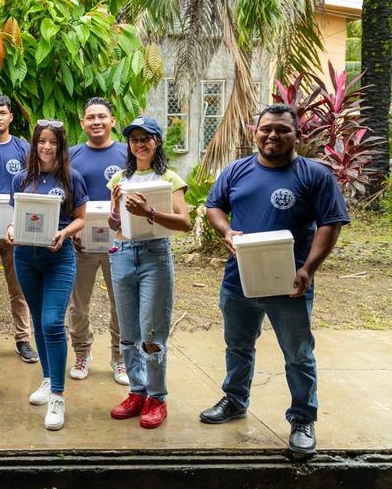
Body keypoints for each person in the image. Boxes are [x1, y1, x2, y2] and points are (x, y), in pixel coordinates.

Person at [201, 103, 349, 458]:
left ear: (297, 135)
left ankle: (302, 419)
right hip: (239, 281)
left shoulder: (314, 175)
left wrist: (308, 269)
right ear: (256, 131)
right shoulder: (237, 171)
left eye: (283, 129)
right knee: (238, 346)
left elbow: (330, 223)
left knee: (297, 355)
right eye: (266, 128)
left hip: (290, 284)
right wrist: (226, 230)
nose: (273, 135)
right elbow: (213, 206)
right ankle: (235, 401)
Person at [106, 116, 190, 429]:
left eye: (146, 138)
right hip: (123, 255)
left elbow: (184, 222)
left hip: (155, 256)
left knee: (152, 334)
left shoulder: (169, 177)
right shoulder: (119, 178)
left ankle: (157, 397)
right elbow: (113, 225)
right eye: (134, 139)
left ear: (157, 141)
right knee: (128, 333)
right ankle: (137, 392)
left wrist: (149, 212)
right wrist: (115, 209)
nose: (140, 144)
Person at [6, 119, 87, 430]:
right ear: (34, 144)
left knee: (53, 321)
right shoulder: (20, 178)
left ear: (61, 145)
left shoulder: (71, 178)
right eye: (41, 141)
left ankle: (58, 396)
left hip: (58, 257)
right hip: (25, 256)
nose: (46, 147)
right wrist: (12, 227)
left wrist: (64, 232)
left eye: (53, 142)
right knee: (39, 320)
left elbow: (80, 218)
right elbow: (17, 215)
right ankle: (48, 377)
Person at [67, 97, 130, 385]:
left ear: (112, 121)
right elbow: (64, 197)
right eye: (90, 117)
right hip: (81, 243)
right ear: (83, 123)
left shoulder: (127, 154)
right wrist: (72, 228)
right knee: (78, 305)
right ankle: (81, 353)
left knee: (121, 303)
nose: (96, 122)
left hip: (119, 242)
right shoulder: (72, 156)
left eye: (102, 117)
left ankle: (120, 358)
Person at [0, 95, 38, 364]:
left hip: (16, 229)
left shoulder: (23, 148)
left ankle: (23, 339)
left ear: (10, 117)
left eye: (2, 113)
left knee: (19, 288)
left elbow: (34, 183)